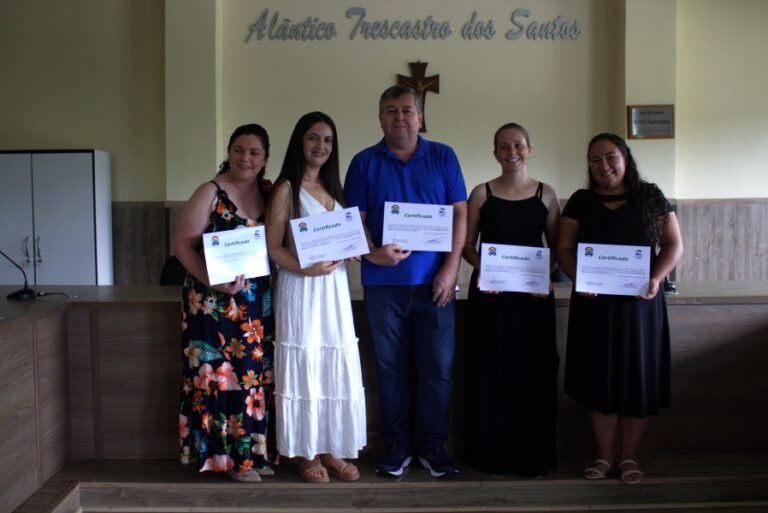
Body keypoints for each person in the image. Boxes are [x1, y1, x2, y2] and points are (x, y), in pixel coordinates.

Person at [343, 85, 468, 478]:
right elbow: (355, 223)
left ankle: (432, 445)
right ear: (380, 118)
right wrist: (371, 253)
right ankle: (396, 445)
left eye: (407, 110)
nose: (400, 117)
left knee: (438, 368)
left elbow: (460, 215)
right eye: (391, 110)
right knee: (390, 368)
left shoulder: (444, 157)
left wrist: (451, 270)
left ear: (420, 117)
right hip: (384, 286)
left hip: (436, 285)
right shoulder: (364, 162)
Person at [557, 132, 683, 485]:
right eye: (595, 160)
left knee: (635, 382)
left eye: (610, 156)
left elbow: (674, 244)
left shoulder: (649, 196)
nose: (603, 165)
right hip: (594, 306)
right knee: (599, 381)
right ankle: (603, 456)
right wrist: (580, 278)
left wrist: (657, 278)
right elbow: (564, 247)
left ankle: (628, 458)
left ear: (626, 158)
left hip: (640, 308)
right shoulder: (581, 201)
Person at [266, 112, 366, 483]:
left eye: (327, 140)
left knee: (330, 365)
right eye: (313, 138)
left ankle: (330, 448)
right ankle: (306, 453)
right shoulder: (286, 189)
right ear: (299, 141)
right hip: (301, 288)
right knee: (305, 363)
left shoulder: (334, 189)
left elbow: (343, 238)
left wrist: (352, 248)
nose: (320, 146)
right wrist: (305, 268)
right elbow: (272, 247)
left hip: (334, 290)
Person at [176, 124, 276, 482]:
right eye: (238, 149)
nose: (245, 158)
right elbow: (183, 245)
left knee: (251, 377)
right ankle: (226, 460)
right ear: (229, 151)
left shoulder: (270, 193)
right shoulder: (210, 191)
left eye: (254, 152)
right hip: (210, 303)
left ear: (265, 159)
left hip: (254, 304)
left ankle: (252, 455)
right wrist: (211, 280)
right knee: (218, 379)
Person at [462, 123, 561, 477]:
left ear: (530, 150)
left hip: (532, 299)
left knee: (532, 373)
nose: (512, 152)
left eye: (518, 145)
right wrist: (486, 271)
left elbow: (557, 248)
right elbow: (467, 245)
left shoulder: (547, 194)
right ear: (495, 153)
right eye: (504, 147)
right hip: (491, 296)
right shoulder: (481, 193)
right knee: (490, 370)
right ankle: (491, 455)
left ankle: (531, 454)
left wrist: (543, 275)